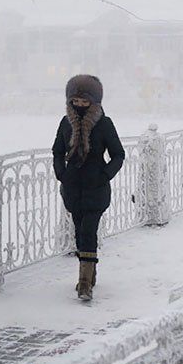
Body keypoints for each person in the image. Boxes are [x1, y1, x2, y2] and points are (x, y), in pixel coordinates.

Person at [52, 74, 125, 301]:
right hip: (73, 188)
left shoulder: (104, 124)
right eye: (76, 101)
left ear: (95, 101)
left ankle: (84, 283)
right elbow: (57, 150)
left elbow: (118, 155)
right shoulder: (66, 123)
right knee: (78, 231)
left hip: (96, 188)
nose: (80, 105)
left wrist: (104, 175)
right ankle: (90, 272)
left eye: (85, 102)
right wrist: (61, 174)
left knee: (88, 230)